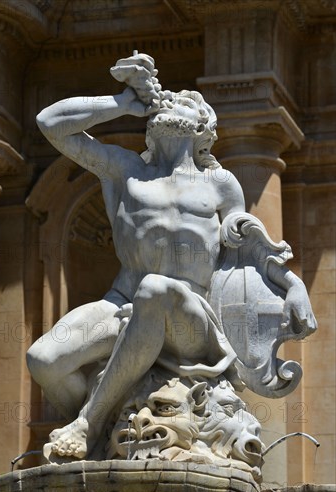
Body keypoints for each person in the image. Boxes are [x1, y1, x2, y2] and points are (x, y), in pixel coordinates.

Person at [27, 54, 316, 460]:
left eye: (183, 101)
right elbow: (49, 123)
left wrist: (294, 284)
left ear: (202, 125)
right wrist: (122, 103)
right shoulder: (124, 170)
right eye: (168, 98)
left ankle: (87, 421)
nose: (170, 102)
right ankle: (106, 423)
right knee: (42, 359)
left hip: (192, 317)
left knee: (156, 288)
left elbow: (249, 250)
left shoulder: (219, 183)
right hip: (122, 301)